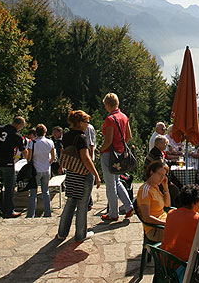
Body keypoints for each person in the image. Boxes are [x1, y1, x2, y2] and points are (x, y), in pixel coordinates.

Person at [57, 110, 101, 241]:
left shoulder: (66, 136)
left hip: (71, 172)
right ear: (80, 123)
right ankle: (81, 235)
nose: (87, 125)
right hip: (82, 174)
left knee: (70, 201)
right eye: (86, 122)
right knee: (82, 205)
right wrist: (96, 175)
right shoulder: (82, 138)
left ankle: (62, 233)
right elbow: (86, 158)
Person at [99, 93, 134, 222]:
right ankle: (129, 206)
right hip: (120, 154)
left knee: (110, 185)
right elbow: (129, 136)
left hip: (109, 154)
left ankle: (113, 213)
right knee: (117, 182)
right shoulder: (124, 117)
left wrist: (100, 150)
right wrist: (120, 146)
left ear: (108, 105)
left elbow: (108, 141)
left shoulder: (110, 119)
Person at [161, 184, 199, 272]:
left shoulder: (171, 213)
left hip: (165, 262)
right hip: (182, 266)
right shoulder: (197, 219)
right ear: (195, 202)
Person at [0, 116, 26, 218]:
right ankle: (9, 210)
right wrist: (28, 160)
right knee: (9, 188)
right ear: (18, 125)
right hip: (8, 163)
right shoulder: (16, 135)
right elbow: (23, 150)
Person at [25, 124, 56, 218]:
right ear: (45, 132)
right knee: (45, 191)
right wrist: (48, 163)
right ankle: (47, 212)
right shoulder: (50, 142)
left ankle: (31, 214)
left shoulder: (32, 143)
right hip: (46, 169)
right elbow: (53, 157)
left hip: (36, 169)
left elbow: (29, 158)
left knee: (33, 192)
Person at [136, 161, 171, 242]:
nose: (162, 178)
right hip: (155, 229)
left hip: (164, 221)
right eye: (160, 175)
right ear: (151, 173)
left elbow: (167, 204)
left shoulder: (155, 187)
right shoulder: (145, 190)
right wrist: (165, 224)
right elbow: (146, 217)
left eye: (164, 175)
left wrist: (166, 188)